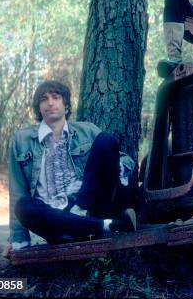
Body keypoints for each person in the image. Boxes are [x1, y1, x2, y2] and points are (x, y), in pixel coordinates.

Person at [7, 80, 138, 253]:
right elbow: (17, 190)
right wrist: (19, 239)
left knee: (106, 140)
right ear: (39, 107)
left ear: (66, 104)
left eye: (56, 97)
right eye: (44, 99)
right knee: (23, 206)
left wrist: (111, 166)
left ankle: (81, 222)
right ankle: (104, 227)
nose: (50, 103)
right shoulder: (20, 140)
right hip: (52, 217)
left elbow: (126, 160)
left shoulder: (87, 130)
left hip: (88, 206)